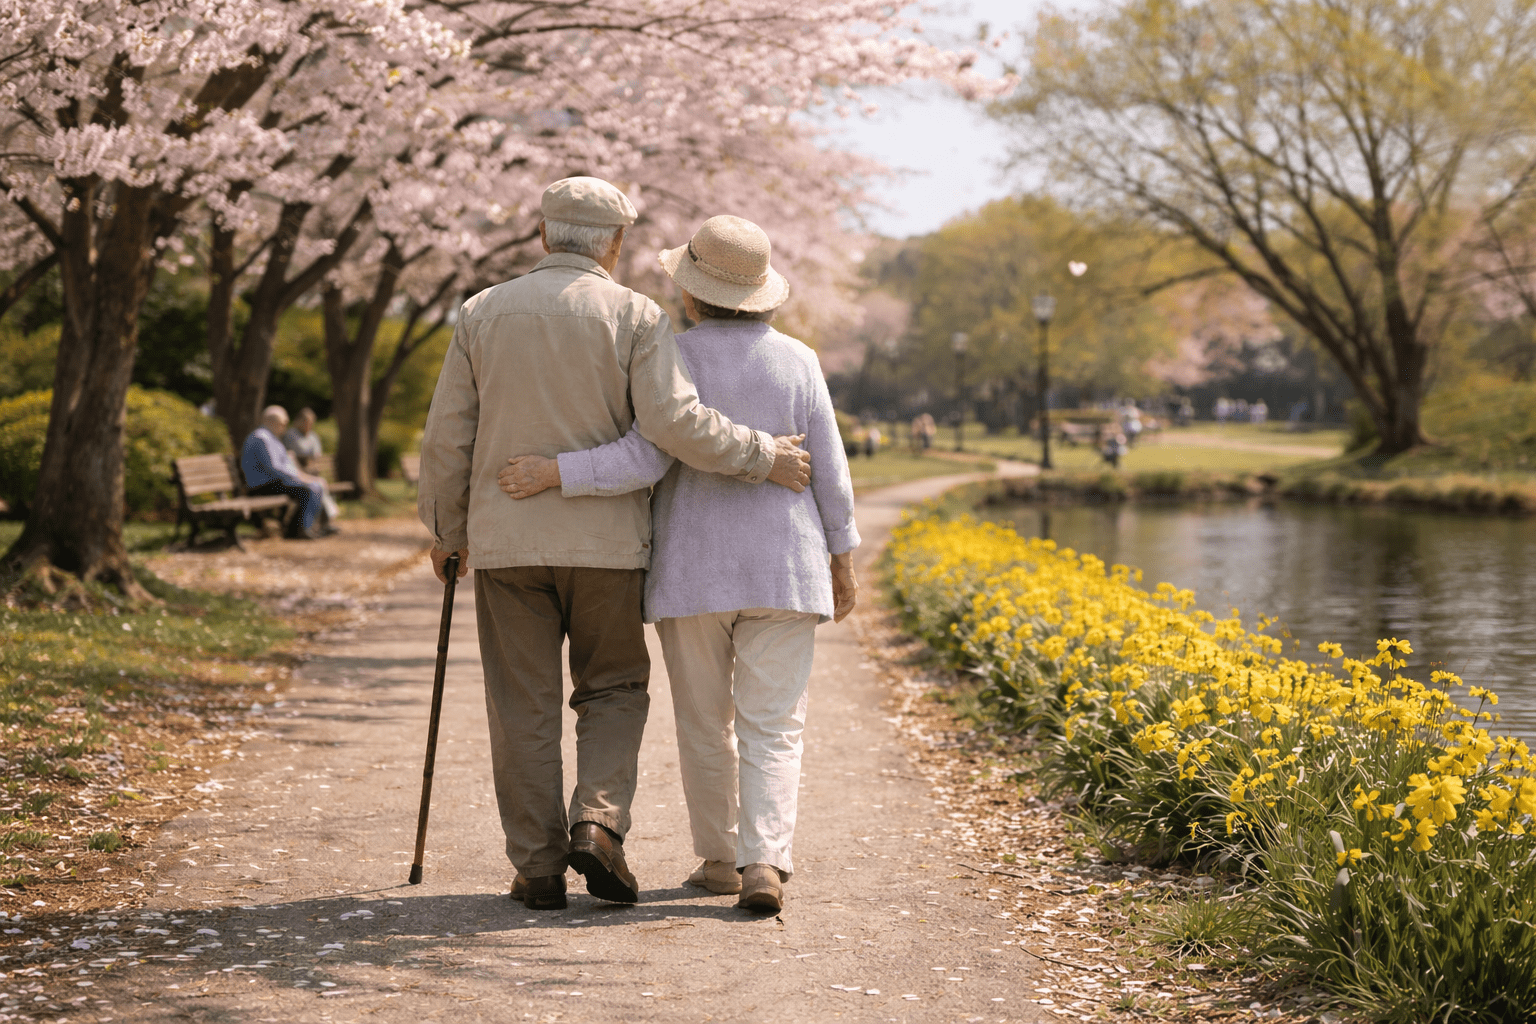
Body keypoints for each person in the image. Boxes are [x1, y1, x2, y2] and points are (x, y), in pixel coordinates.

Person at [416, 179, 813, 913]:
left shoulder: (479, 313)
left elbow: (448, 435)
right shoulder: (638, 316)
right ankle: (598, 822)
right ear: (617, 244)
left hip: (508, 546)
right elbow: (673, 423)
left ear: (541, 235)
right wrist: (763, 455)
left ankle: (537, 869)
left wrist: (446, 530)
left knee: (521, 704)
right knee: (614, 689)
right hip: (606, 548)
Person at [498, 214, 859, 913]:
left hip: (693, 571)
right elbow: (831, 475)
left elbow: (643, 455)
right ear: (763, 295)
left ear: (690, 294)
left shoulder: (671, 353)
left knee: (704, 722)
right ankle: (765, 860)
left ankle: (722, 858)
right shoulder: (799, 361)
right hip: (787, 564)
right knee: (775, 724)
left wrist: (555, 473)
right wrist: (842, 560)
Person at [241, 406, 340, 539]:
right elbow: (274, 468)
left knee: (313, 487)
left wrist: (301, 477)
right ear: (273, 422)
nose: (284, 428)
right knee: (310, 489)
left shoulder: (271, 438)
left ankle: (299, 529)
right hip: (262, 486)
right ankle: (301, 530)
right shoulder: (261, 438)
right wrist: (300, 478)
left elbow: (283, 466)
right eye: (283, 424)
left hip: (272, 483)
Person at [282, 408, 340, 522]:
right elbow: (289, 456)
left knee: (319, 484)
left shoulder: (313, 436)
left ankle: (325, 519)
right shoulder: (290, 435)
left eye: (311, 422)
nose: (308, 425)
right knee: (319, 484)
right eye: (306, 421)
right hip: (295, 471)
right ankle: (327, 517)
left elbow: (316, 457)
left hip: (309, 470)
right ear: (297, 421)